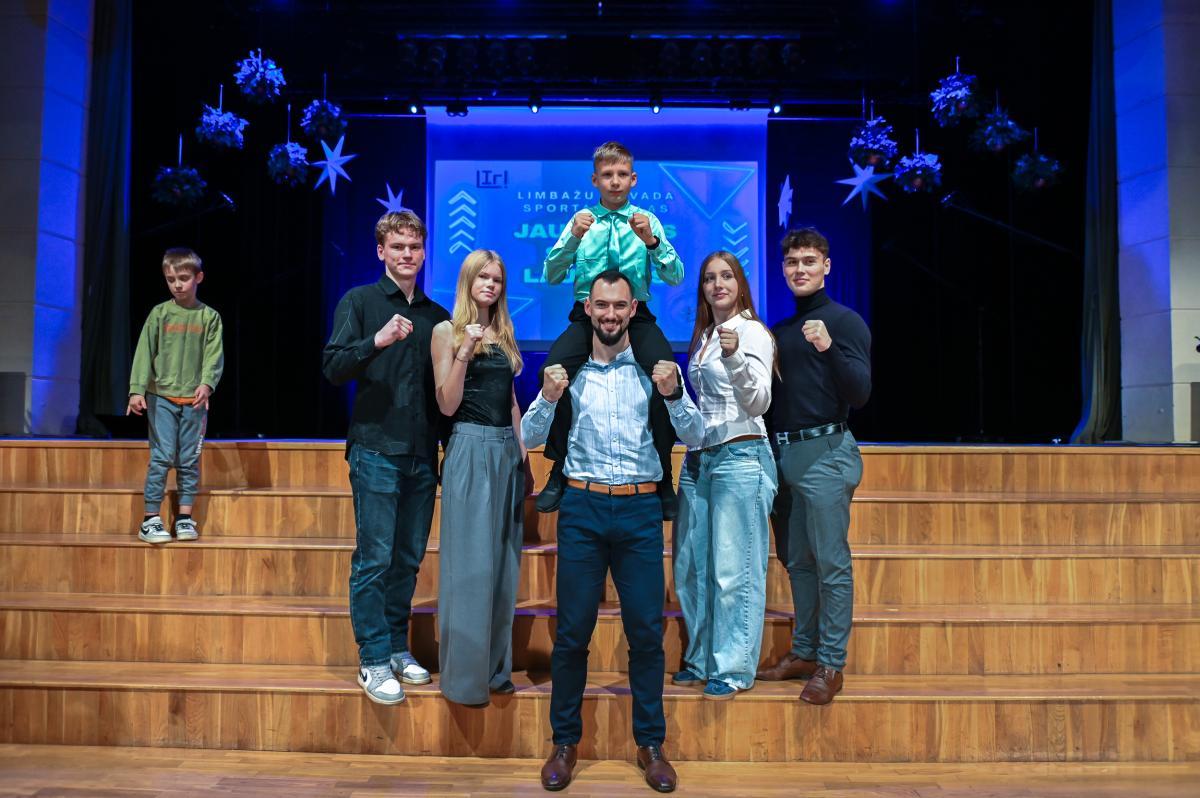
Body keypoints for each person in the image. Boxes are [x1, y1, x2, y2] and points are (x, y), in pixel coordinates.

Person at [522, 270, 703, 794]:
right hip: (582, 508)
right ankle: (564, 743)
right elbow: (528, 436)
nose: (610, 314)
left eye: (619, 305)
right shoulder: (568, 372)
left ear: (633, 309)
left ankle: (651, 745)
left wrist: (674, 394)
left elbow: (694, 434)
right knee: (572, 634)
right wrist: (547, 396)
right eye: (601, 305)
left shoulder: (655, 371)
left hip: (640, 511)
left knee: (646, 634)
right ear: (587, 308)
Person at [322, 211, 450, 706]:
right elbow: (333, 367)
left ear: (424, 252)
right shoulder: (360, 301)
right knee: (374, 559)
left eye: (414, 247)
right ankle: (373, 657)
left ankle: (397, 646)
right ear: (381, 251)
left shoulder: (437, 316)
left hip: (422, 451)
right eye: (397, 246)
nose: (406, 254)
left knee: (408, 559)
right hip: (375, 448)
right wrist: (376, 340)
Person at [537, 141, 685, 519]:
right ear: (595, 180)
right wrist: (573, 237)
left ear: (633, 179)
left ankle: (664, 475)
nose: (615, 181)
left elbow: (675, 275)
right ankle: (559, 468)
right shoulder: (582, 221)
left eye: (622, 175)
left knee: (666, 375)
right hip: (587, 315)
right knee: (554, 371)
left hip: (635, 315)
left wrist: (652, 242)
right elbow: (551, 274)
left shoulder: (647, 221)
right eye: (607, 175)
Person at [756, 228, 871, 705]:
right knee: (798, 562)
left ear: (826, 266)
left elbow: (860, 393)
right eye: (792, 262)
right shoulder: (781, 331)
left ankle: (831, 663)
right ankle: (804, 651)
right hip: (784, 455)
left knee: (830, 564)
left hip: (826, 451)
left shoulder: (844, 322)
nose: (799, 269)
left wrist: (829, 348)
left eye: (808, 261)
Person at [671, 251, 778, 701]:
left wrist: (734, 358)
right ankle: (701, 658)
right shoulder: (704, 337)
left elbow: (759, 402)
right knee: (691, 568)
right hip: (700, 458)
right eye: (710, 278)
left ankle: (732, 668)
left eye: (727, 276)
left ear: (740, 285)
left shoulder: (751, 332)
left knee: (734, 571)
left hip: (741, 455)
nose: (718, 284)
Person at [430, 249, 526, 706]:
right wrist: (465, 352)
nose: (490, 284)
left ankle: (494, 671)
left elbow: (511, 401)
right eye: (483, 277)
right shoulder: (445, 332)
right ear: (468, 280)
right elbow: (446, 404)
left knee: (504, 567)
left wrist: (523, 456)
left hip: (505, 450)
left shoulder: (504, 333)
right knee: (470, 568)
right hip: (468, 446)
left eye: (497, 279)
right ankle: (464, 681)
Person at [127, 247, 224, 545]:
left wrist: (207, 384)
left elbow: (214, 356)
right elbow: (144, 352)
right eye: (171, 279)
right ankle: (150, 519)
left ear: (198, 278)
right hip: (162, 397)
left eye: (183, 278)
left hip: (194, 400)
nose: (177, 285)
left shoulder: (209, 317)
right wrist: (136, 389)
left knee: (189, 458)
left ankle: (183, 517)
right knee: (161, 456)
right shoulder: (159, 314)